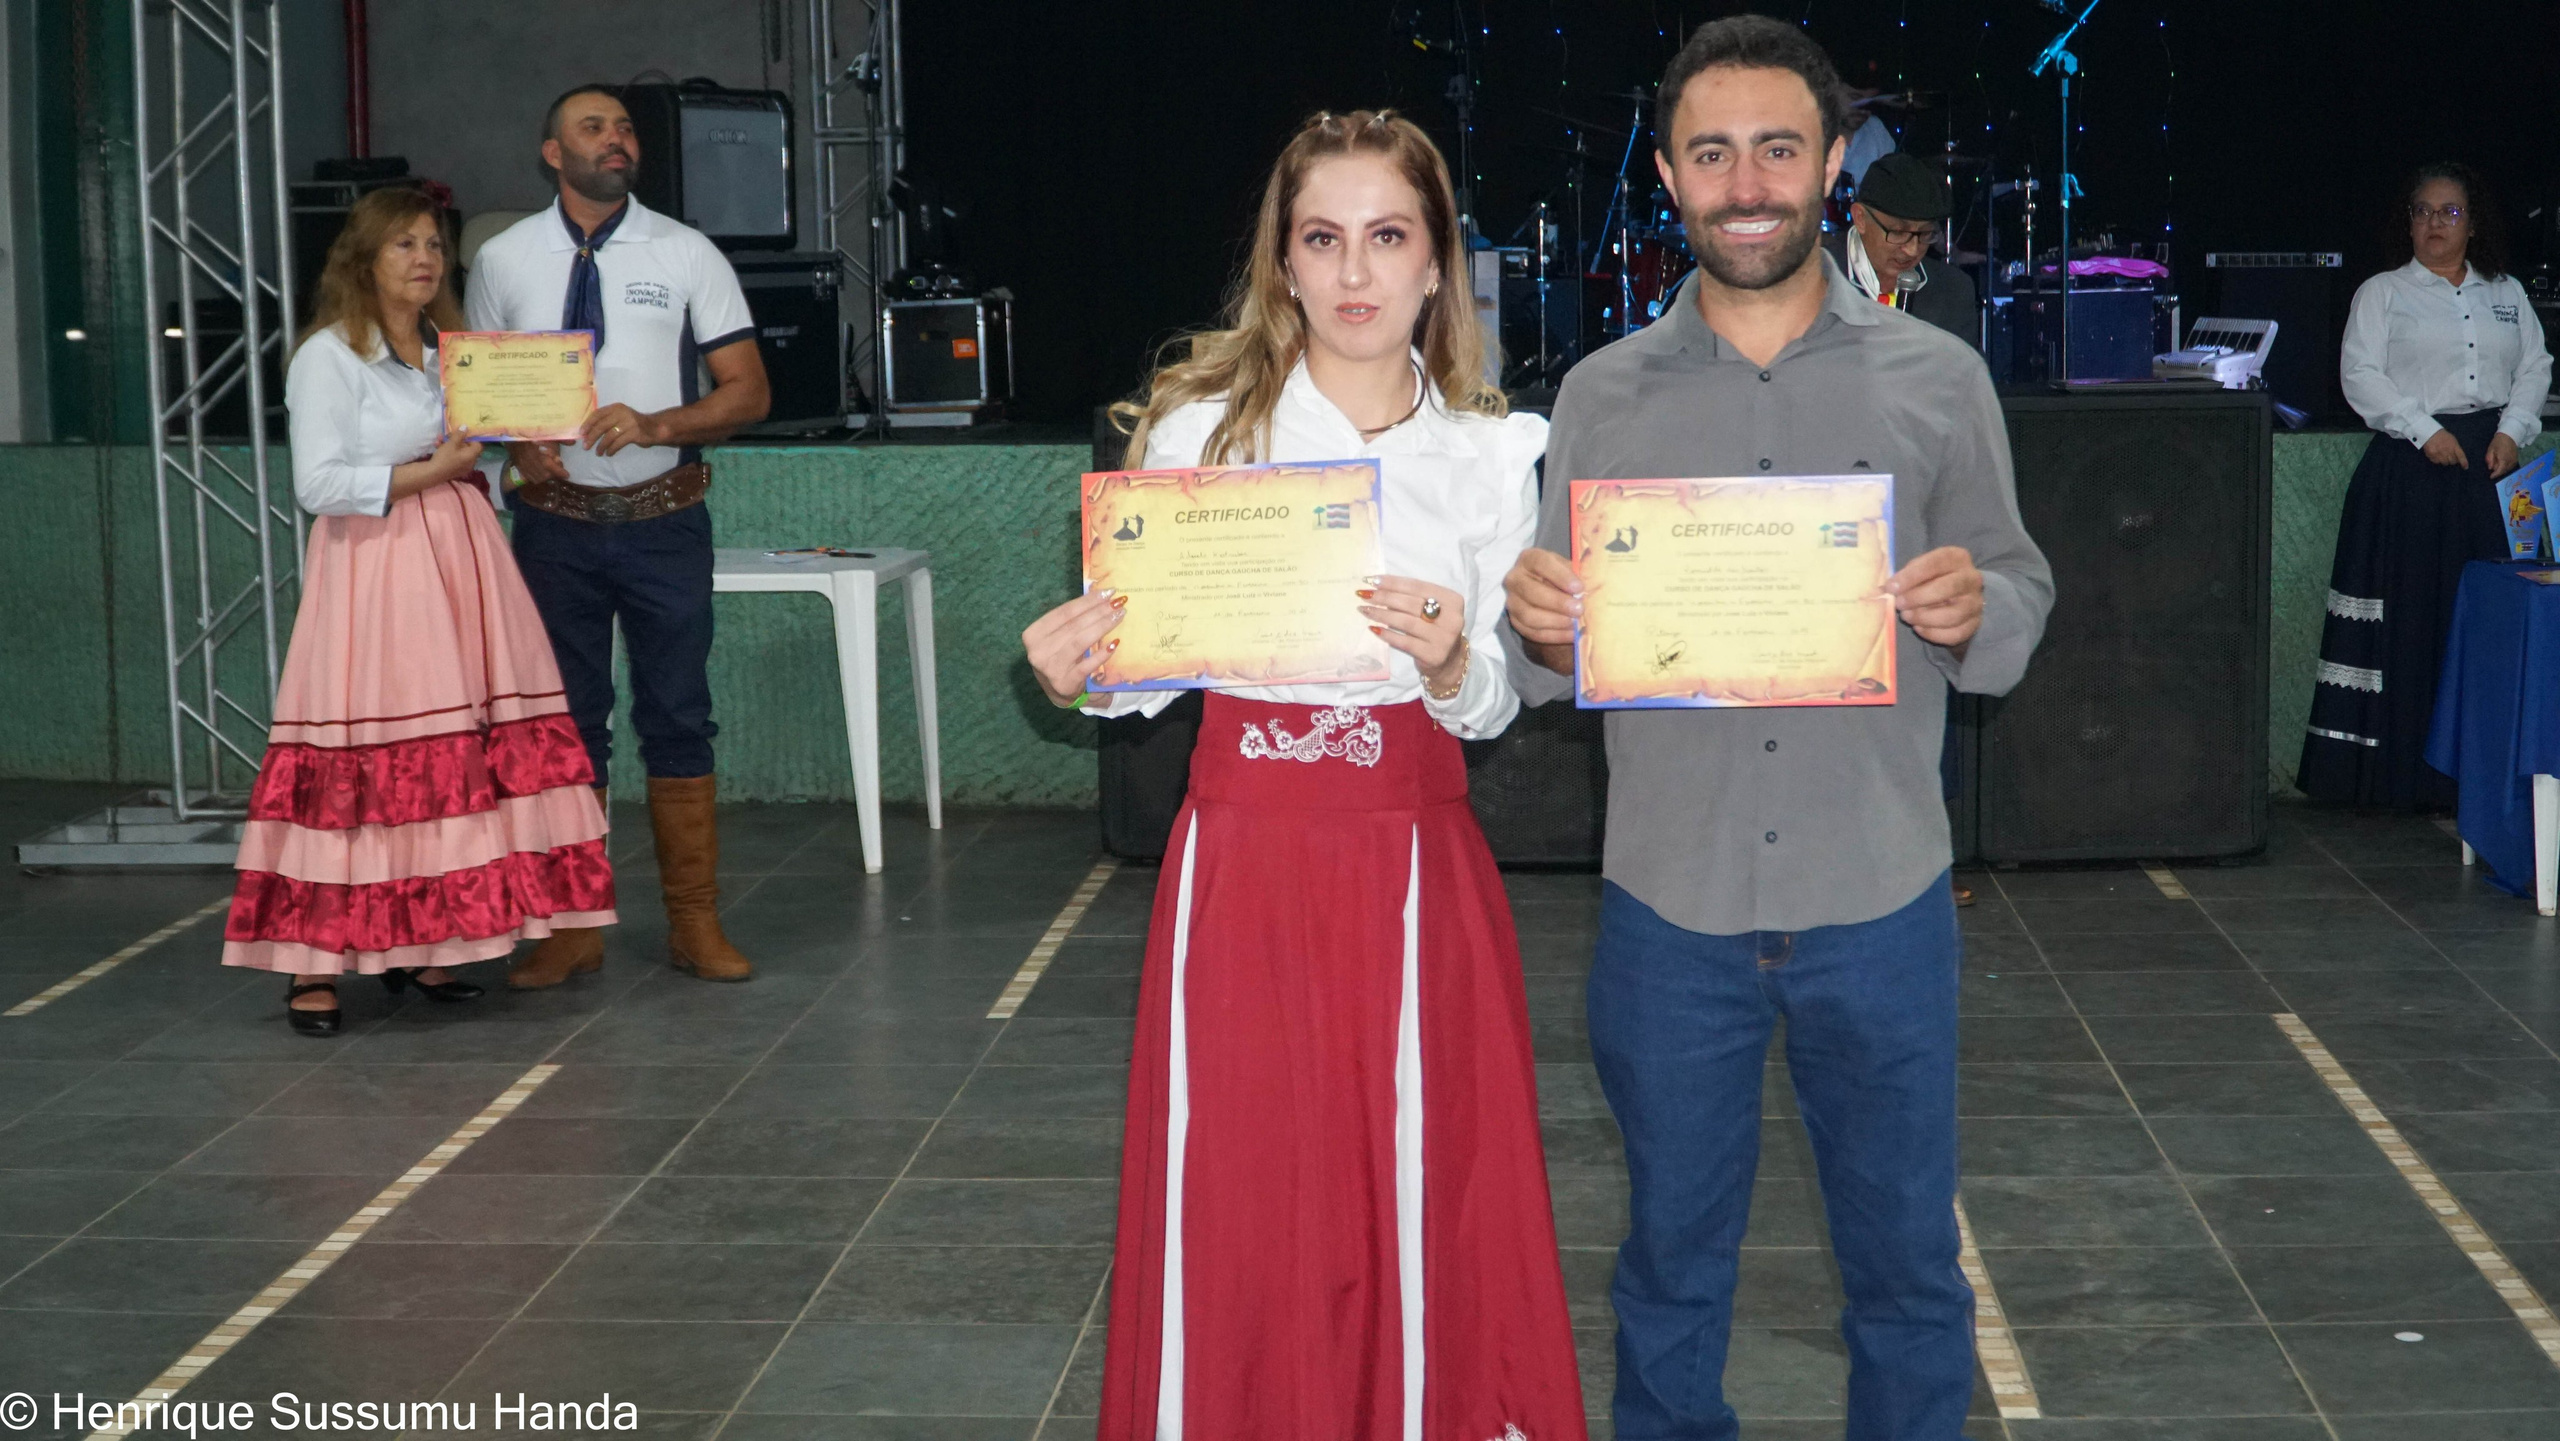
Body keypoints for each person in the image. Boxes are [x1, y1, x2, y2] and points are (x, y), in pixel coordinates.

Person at [1502, 17, 2052, 1439]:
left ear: (1827, 171)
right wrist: (1539, 622)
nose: (1746, 182)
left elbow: (2018, 588)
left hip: (1879, 903)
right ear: (1672, 182)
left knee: (1908, 1277)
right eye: (1711, 152)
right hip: (1666, 914)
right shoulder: (1600, 396)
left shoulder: (1938, 379)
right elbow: (1551, 656)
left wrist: (1966, 599)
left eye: (1777, 148)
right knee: (1671, 1279)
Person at [1022, 110, 1586, 1441]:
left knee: (1423, 1181)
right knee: (1244, 1185)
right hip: (1246, 864)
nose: (1354, 273)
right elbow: (1147, 670)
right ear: (1282, 264)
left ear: (1438, 263)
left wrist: (1453, 662)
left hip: (1410, 864)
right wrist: (1080, 669)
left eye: (1388, 237)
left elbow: (1496, 702)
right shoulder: (1200, 438)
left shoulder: (1490, 455)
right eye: (1321, 239)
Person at [222, 187, 616, 1035]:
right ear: (362, 260)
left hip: (463, 554)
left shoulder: (453, 353)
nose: (424, 259)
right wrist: (434, 472)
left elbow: (482, 446)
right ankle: (313, 966)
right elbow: (317, 486)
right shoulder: (328, 355)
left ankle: (425, 941)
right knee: (375, 753)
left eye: (433, 244)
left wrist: (527, 449)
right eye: (402, 244)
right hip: (379, 563)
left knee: (460, 753)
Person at [465, 83, 772, 986]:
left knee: (679, 716)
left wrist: (658, 425)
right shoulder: (503, 258)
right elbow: (477, 393)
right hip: (551, 531)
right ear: (552, 153)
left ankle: (694, 923)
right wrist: (519, 444)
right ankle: (571, 926)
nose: (617, 140)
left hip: (664, 523)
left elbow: (748, 393)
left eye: (625, 128)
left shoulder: (686, 251)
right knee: (567, 728)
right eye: (594, 128)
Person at [2301, 161, 2551, 810]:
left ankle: (2485, 778)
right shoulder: (2383, 293)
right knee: (2411, 619)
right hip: (2411, 469)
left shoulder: (2507, 293)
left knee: (2489, 617)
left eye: (2450, 212)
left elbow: (2535, 366)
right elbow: (2360, 373)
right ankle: (2402, 781)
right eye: (2422, 211)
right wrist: (2420, 428)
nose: (2435, 223)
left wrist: (2513, 430)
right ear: (2407, 221)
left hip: (2493, 468)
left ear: (2473, 224)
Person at [1826, 151, 1979, 352]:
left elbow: (1964, 378)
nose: (1912, 250)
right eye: (1898, 232)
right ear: (1860, 218)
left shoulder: (1953, 291)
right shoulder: (1812, 275)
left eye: (1925, 234)